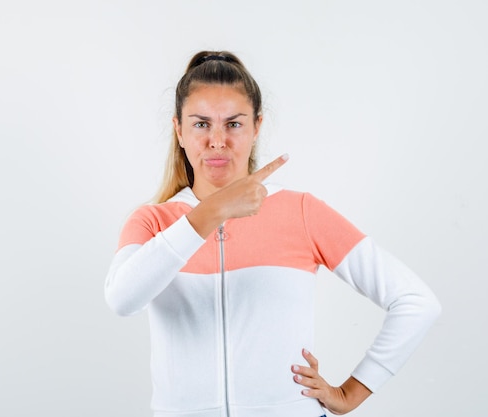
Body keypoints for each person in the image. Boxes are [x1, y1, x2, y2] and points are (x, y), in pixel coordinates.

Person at [104, 51, 441, 417]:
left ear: (256, 127)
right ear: (179, 130)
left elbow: (416, 302)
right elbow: (123, 299)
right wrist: (211, 212)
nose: (217, 141)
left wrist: (350, 393)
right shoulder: (153, 222)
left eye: (233, 124)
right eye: (201, 124)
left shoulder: (300, 211)